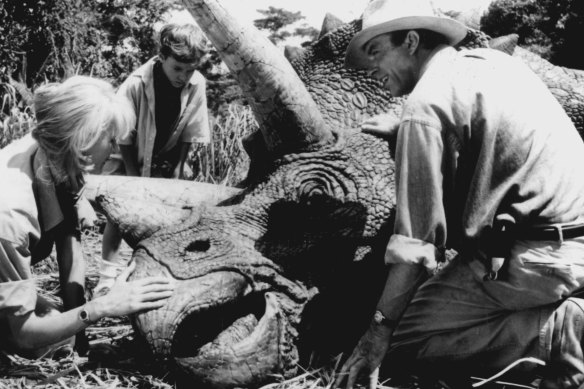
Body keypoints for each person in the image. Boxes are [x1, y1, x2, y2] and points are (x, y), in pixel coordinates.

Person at [336, 0, 584, 388]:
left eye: (376, 51)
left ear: (412, 41)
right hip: (574, 241)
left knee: (406, 340)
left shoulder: (425, 107)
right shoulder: (492, 63)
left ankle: (560, 331)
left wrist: (377, 334)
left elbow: (417, 250)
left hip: (531, 261)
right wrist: (409, 129)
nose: (371, 68)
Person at [0, 76, 175, 358]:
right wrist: (100, 308)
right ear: (82, 140)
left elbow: (71, 250)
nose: (117, 149)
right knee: (51, 342)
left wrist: (81, 341)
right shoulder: (10, 213)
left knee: (64, 332)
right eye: (111, 139)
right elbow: (24, 334)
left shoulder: (59, 155)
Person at [96, 22, 211, 295]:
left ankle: (160, 272)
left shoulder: (197, 85)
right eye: (177, 68)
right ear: (162, 57)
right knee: (119, 213)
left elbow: (192, 132)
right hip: (128, 155)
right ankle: (106, 278)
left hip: (167, 154)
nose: (183, 76)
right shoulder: (136, 83)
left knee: (171, 212)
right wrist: (135, 176)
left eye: (190, 69)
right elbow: (123, 135)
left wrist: (179, 169)